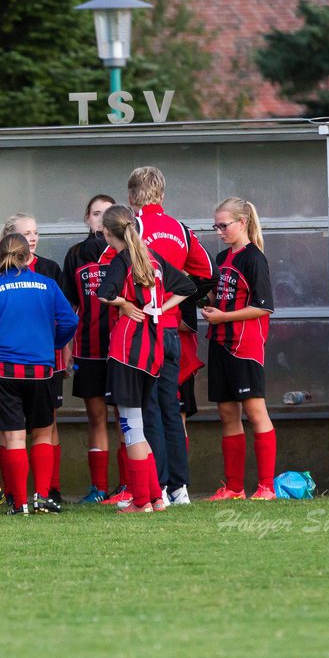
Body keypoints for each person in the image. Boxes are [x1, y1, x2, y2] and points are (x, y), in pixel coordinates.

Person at [95, 205, 196, 513]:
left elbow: (104, 293)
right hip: (154, 347)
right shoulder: (152, 257)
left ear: (109, 234)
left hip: (129, 348)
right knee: (146, 419)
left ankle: (142, 501)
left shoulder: (122, 258)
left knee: (132, 425)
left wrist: (124, 304)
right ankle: (154, 497)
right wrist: (161, 310)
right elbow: (188, 287)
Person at [0, 233, 78, 515]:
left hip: (1, 369)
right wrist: (52, 342)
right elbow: (70, 320)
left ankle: (19, 503)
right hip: (41, 369)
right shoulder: (48, 284)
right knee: (42, 433)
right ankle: (42, 498)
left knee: (14, 437)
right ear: (28, 257)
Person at [127, 166, 214, 507]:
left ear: (132, 197)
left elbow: (116, 274)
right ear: (162, 196)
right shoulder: (180, 228)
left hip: (146, 330)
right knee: (171, 408)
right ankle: (180, 488)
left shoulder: (134, 228)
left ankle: (158, 486)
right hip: (173, 329)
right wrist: (175, 301)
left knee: (149, 409)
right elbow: (206, 273)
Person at [202, 197, 277, 501]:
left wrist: (224, 316)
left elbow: (263, 307)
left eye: (224, 225)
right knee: (226, 413)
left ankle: (266, 487)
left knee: (255, 411)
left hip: (244, 346)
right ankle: (234, 488)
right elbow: (217, 293)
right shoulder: (220, 257)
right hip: (219, 342)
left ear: (242, 222)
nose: (219, 231)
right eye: (216, 226)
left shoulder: (254, 258)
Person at [0, 213, 67, 506]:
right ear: (12, 239)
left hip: (46, 360)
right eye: (26, 234)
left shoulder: (49, 269)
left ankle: (49, 490)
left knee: (46, 424)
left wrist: (61, 347)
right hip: (11, 363)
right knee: (10, 428)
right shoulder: (0, 274)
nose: (32, 238)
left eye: (35, 232)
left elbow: (66, 318)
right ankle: (14, 492)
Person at [61, 194, 123, 504]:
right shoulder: (75, 254)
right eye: (96, 213)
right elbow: (70, 306)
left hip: (122, 349)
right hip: (88, 348)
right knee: (96, 417)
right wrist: (68, 346)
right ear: (87, 219)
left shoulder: (126, 252)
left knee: (125, 417)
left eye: (107, 213)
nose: (101, 219)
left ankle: (128, 486)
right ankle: (98, 488)